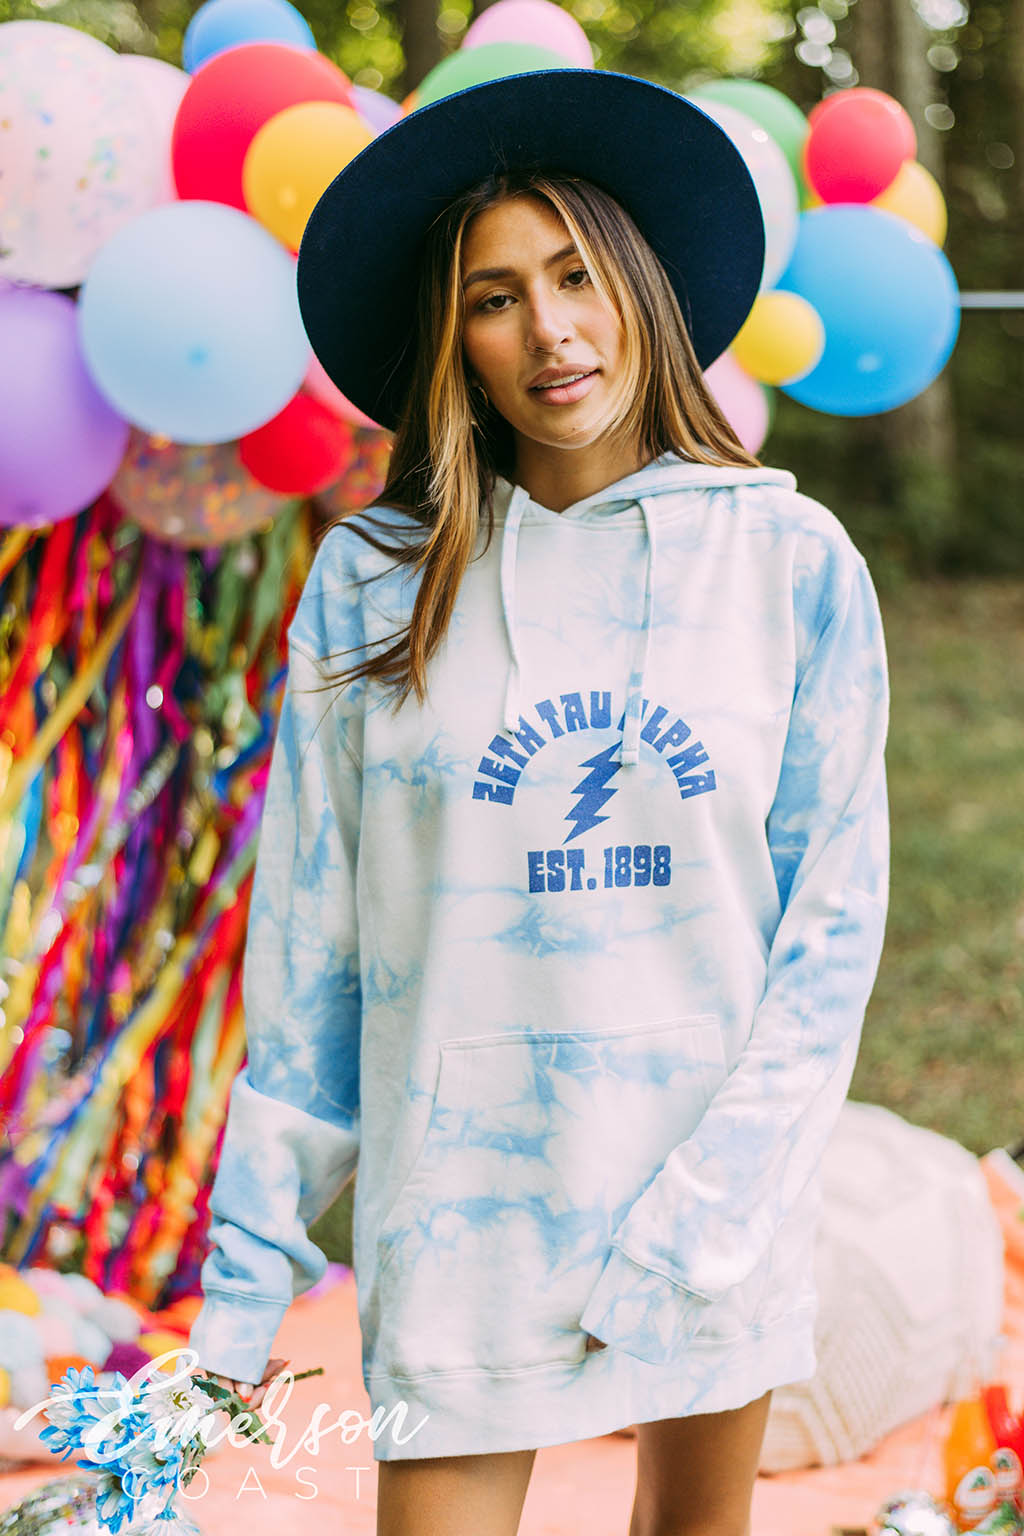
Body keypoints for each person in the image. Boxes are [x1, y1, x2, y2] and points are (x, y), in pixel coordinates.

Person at [187, 68, 890, 1536]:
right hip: (463, 1214)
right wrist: (247, 1277)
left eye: (576, 276)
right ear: (456, 341)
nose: (551, 330)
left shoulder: (791, 564)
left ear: (641, 287)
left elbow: (829, 934)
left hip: (707, 1197)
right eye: (495, 298)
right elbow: (311, 950)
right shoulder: (371, 582)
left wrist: (713, 1213)